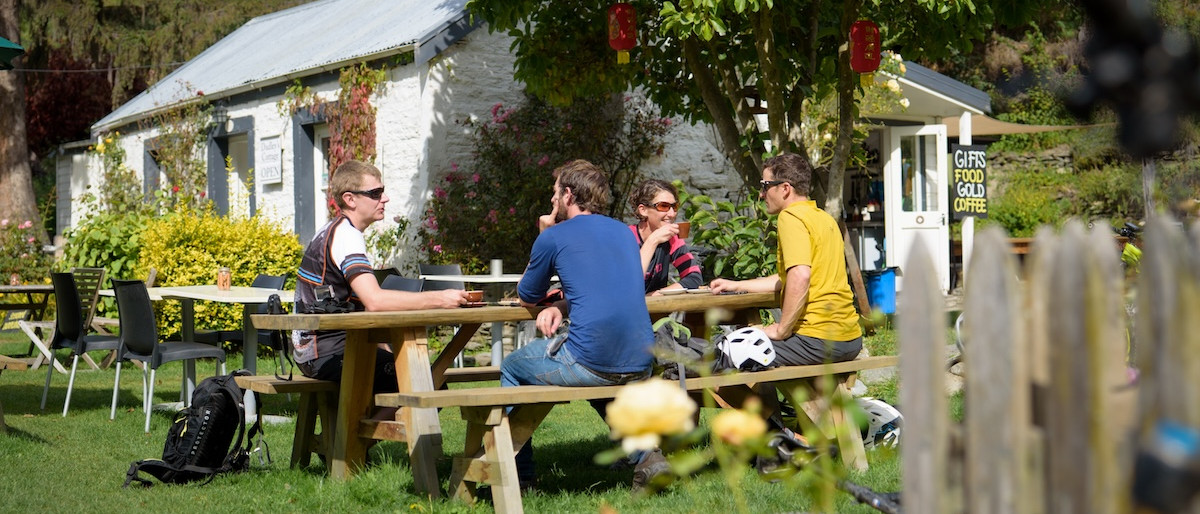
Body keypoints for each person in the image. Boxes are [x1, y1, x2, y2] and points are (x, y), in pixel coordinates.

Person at [506, 159, 658, 489]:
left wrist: (544, 235)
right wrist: (563, 305)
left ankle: (519, 474)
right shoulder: (623, 232)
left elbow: (527, 295)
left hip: (592, 360)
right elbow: (604, 288)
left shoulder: (554, 236)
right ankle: (646, 454)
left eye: (555, 193)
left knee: (511, 366)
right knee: (600, 377)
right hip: (643, 360)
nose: (552, 200)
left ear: (569, 194)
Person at [293, 160, 469, 393]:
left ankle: (362, 416)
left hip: (314, 351)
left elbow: (360, 305)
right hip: (328, 353)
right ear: (350, 199)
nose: (385, 198)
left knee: (424, 379)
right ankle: (357, 419)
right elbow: (375, 301)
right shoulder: (347, 235)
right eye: (375, 193)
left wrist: (383, 347)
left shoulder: (333, 229)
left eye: (382, 191)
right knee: (428, 384)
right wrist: (442, 299)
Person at [709, 153, 863, 365]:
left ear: (785, 188)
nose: (761, 194)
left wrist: (781, 329)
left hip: (817, 340)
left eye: (765, 186)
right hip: (850, 339)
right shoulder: (824, 218)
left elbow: (800, 275)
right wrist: (736, 285)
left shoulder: (791, 217)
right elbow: (791, 277)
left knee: (723, 354)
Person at [627, 179, 704, 294]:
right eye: (663, 206)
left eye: (674, 206)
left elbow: (694, 278)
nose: (672, 214)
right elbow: (627, 283)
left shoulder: (672, 239)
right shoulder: (625, 238)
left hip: (657, 305)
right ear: (643, 210)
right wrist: (653, 240)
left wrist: (659, 294)